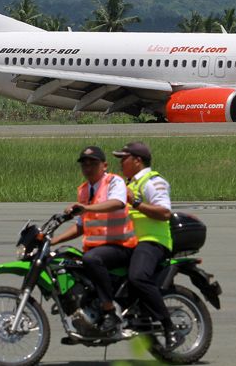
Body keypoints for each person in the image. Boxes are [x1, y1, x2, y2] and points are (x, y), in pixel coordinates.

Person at [51, 146, 137, 332]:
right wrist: (52, 240)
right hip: (96, 249)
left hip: (121, 246)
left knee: (91, 259)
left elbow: (117, 203)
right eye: (84, 164)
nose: (88, 167)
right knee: (65, 259)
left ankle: (109, 312)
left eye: (93, 163)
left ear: (104, 165)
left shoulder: (114, 182)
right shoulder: (83, 190)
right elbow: (81, 226)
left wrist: (85, 208)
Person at [112, 141, 183, 350]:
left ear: (137, 160)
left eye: (123, 159)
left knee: (138, 277)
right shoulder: (130, 185)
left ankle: (170, 328)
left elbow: (164, 213)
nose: (120, 164)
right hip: (129, 243)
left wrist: (135, 202)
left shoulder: (153, 182)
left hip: (152, 241)